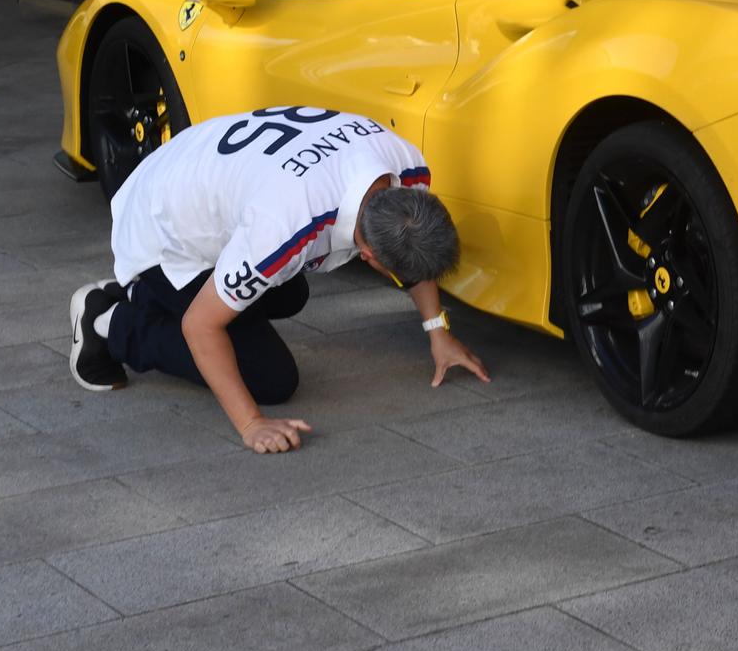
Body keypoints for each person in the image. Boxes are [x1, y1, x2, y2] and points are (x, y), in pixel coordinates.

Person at [67, 107, 489, 455]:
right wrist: (251, 424)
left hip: (202, 168)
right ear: (369, 257)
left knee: (290, 290)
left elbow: (411, 247)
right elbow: (201, 326)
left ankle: (155, 296)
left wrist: (438, 330)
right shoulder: (283, 228)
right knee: (271, 378)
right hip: (162, 227)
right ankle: (110, 320)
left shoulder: (405, 169)